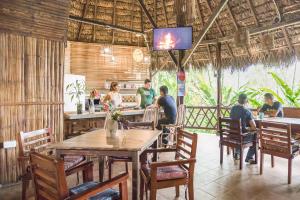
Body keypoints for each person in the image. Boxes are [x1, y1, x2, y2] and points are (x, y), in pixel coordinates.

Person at [230, 93, 257, 164]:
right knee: (255, 135)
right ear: (246, 101)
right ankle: (249, 157)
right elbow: (254, 127)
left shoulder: (232, 108)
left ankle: (237, 153)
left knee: (241, 131)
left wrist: (246, 127)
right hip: (241, 137)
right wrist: (249, 128)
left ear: (238, 100)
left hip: (232, 135)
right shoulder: (247, 111)